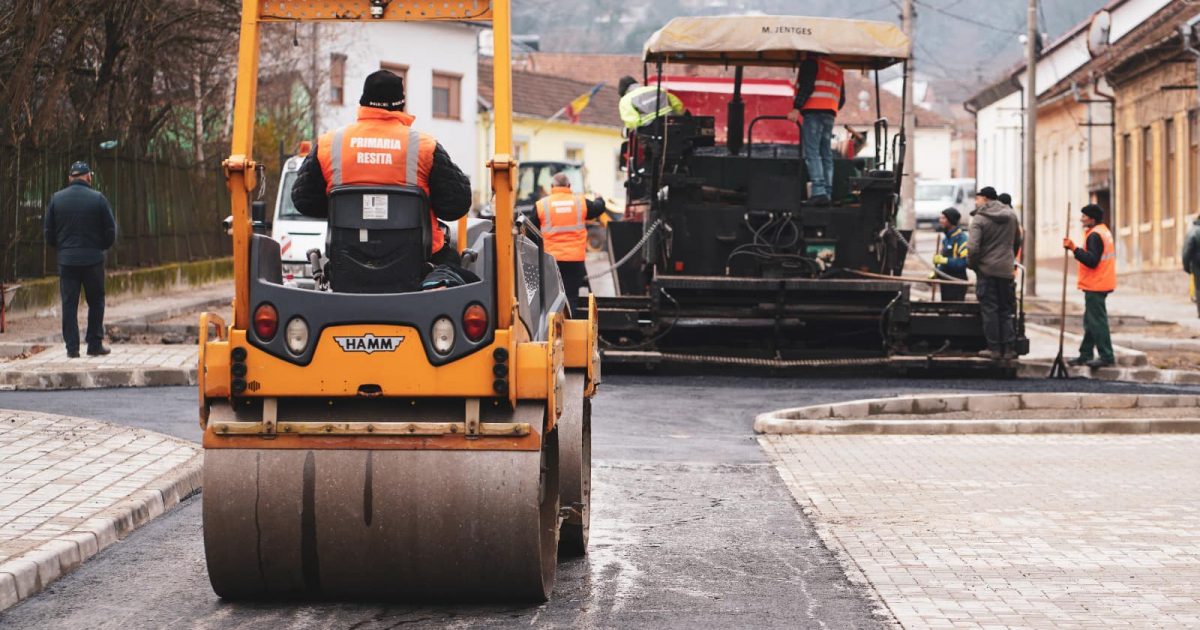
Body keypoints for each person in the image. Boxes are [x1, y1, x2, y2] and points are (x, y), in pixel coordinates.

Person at [292, 69, 471, 268]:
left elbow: (304, 201)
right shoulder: (424, 146)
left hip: (347, 263)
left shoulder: (329, 144)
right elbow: (457, 205)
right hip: (419, 263)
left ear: (362, 103)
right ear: (401, 104)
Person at [43, 161, 116, 358]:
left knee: (69, 303)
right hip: (93, 260)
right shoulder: (98, 199)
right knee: (96, 301)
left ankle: (72, 349)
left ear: (70, 178)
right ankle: (94, 344)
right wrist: (101, 247)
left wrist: (63, 249)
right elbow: (110, 230)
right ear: (89, 177)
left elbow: (49, 232)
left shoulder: (56, 199)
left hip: (67, 261)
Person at [531, 173, 607, 317]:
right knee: (571, 297)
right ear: (569, 186)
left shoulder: (542, 205)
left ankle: (551, 330)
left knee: (551, 297)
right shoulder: (580, 203)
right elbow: (598, 208)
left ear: (552, 187)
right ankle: (568, 329)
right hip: (574, 260)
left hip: (550, 260)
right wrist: (599, 198)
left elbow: (531, 230)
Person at [967, 186, 1022, 360]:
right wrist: (1008, 259)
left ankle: (994, 349)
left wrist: (974, 265)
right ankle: (1009, 349)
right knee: (1006, 310)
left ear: (985, 199)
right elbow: (1017, 241)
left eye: (978, 198)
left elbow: (973, 248)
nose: (976, 202)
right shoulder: (1011, 216)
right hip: (1006, 271)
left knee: (990, 310)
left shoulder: (979, 219)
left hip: (987, 271)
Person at [787, 55, 845, 205]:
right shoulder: (837, 69)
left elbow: (807, 86)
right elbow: (842, 99)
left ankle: (818, 192)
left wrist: (796, 108)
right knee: (826, 153)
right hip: (829, 114)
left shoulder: (811, 63)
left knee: (812, 152)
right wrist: (829, 108)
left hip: (813, 112)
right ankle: (827, 192)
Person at [1064, 203, 1116, 368]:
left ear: (1092, 219)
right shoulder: (1103, 231)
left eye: (1084, 216)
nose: (1081, 219)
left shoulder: (1095, 235)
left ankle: (1106, 356)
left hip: (1096, 284)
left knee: (1097, 321)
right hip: (1101, 282)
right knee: (1091, 320)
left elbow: (1092, 261)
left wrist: (1074, 248)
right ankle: (1085, 354)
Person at [617, 76, 685, 130]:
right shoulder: (656, 88)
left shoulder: (625, 100)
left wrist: (635, 129)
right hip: (672, 123)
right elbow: (678, 104)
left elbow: (632, 121)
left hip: (649, 130)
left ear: (623, 92)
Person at [933, 208, 969, 301]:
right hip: (946, 281)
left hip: (957, 281)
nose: (940, 220)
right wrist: (937, 272)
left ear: (951, 220)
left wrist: (945, 260)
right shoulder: (946, 239)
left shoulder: (962, 239)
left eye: (944, 218)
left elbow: (964, 262)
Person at [1183, 214, 1200, 317]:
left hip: (1198, 267)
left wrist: (1187, 268)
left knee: (1199, 288)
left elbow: (1186, 253)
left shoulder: (1193, 232)